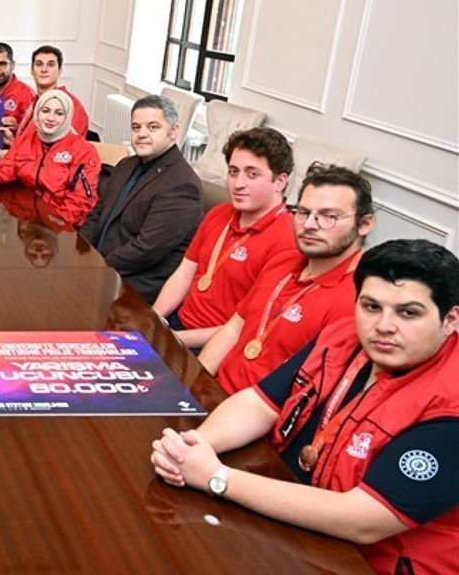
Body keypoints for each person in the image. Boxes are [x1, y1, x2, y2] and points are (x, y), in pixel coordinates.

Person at [150, 239, 459, 575]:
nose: (384, 325)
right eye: (371, 307)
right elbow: (259, 403)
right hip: (292, 524)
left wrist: (217, 477)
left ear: (450, 320)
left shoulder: (451, 403)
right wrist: (193, 447)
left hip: (367, 561)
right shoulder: (341, 336)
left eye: (409, 313)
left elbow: (364, 520)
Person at [187, 163, 375, 394]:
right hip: (209, 388)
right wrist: (191, 386)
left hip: (250, 411)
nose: (309, 225)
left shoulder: (357, 300)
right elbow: (233, 329)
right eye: (303, 212)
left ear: (364, 224)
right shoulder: (284, 260)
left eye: (329, 216)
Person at [153, 127, 297, 331]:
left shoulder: (288, 241)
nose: (238, 184)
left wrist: (172, 338)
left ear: (280, 182)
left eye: (252, 174)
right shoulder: (219, 213)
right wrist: (153, 318)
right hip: (177, 322)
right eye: (233, 172)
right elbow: (184, 274)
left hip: (214, 342)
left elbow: (244, 328)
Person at [78, 94, 203, 303]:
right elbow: (98, 213)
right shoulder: (126, 165)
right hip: (100, 267)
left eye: (153, 127)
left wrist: (96, 269)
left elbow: (145, 250)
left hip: (133, 285)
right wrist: (80, 252)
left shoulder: (182, 185)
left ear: (174, 131)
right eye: (136, 127)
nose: (142, 134)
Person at [0, 90, 101, 227]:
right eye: (45, 111)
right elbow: (3, 171)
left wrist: (55, 222)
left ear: (68, 117)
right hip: (28, 218)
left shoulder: (84, 151)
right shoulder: (27, 139)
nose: (50, 118)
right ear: (37, 113)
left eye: (59, 113)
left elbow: (81, 200)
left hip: (61, 224)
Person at [25, 44, 90, 136]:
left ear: (60, 71)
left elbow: (71, 143)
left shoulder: (70, 104)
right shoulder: (33, 102)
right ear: (31, 70)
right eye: (39, 64)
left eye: (51, 65)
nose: (44, 69)